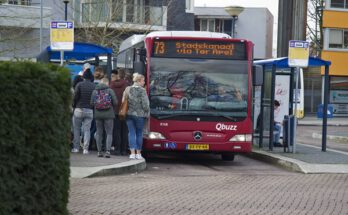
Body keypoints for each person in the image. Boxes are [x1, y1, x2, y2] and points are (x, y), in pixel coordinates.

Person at [122, 73, 150, 160]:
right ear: (138, 81)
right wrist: (146, 112)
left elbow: (123, 101)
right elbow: (145, 105)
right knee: (139, 133)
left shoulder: (127, 89)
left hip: (129, 114)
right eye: (143, 80)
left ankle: (132, 154)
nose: (144, 82)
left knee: (131, 133)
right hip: (139, 115)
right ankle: (138, 154)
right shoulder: (142, 90)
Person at [91, 78, 117, 158]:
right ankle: (108, 151)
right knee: (109, 133)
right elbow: (115, 102)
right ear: (107, 83)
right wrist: (111, 107)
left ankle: (99, 151)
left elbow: (91, 103)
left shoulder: (95, 91)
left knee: (99, 132)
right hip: (109, 115)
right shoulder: (110, 91)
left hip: (98, 115)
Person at [72, 69, 95, 154]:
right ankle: (85, 149)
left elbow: (75, 96)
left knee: (76, 129)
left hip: (79, 109)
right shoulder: (93, 86)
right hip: (89, 110)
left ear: (83, 77)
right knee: (87, 130)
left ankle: (76, 148)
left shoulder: (79, 84)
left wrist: (74, 105)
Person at [110, 69, 129, 155]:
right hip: (124, 110)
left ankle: (117, 149)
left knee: (116, 130)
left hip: (114, 110)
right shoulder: (127, 85)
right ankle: (124, 150)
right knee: (124, 130)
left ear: (117, 75)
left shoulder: (112, 85)